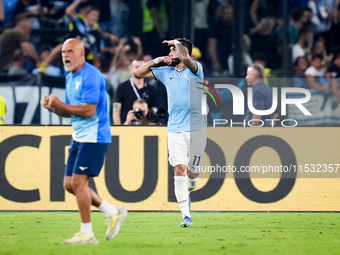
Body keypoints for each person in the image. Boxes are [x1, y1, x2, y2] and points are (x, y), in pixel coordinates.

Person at [40, 38, 127, 244]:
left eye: (69, 51)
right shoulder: (71, 77)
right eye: (63, 52)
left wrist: (60, 103)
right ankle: (112, 211)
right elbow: (70, 112)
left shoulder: (91, 76)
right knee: (69, 184)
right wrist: (54, 108)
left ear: (81, 54)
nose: (65, 55)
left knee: (79, 183)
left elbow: (88, 111)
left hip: (95, 136)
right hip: (79, 136)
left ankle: (87, 233)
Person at [135, 38, 207, 228]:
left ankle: (190, 187)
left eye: (173, 50)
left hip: (196, 129)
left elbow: (187, 59)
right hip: (175, 128)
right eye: (170, 50)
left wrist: (178, 44)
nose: (170, 52)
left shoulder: (195, 70)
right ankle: (186, 216)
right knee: (178, 169)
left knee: (192, 176)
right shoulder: (166, 72)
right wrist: (158, 59)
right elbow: (138, 72)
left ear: (184, 52)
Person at [113, 59, 157, 125]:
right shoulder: (122, 87)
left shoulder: (151, 89)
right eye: (136, 67)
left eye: (142, 67)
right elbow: (116, 110)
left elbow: (154, 109)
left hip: (146, 128)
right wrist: (119, 130)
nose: (139, 69)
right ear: (131, 69)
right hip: (127, 127)